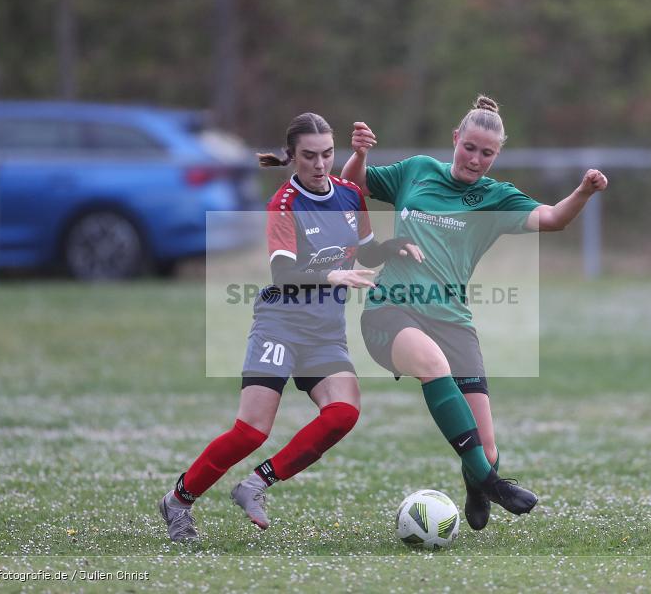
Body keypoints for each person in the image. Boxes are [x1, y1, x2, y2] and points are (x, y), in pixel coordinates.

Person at [341, 95, 608, 531]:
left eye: (487, 153)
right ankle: (494, 485)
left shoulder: (495, 197)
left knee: (485, 444)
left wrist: (584, 191)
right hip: (390, 308)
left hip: (452, 320)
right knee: (432, 364)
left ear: (496, 155)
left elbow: (555, 218)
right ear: (455, 139)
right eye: (469, 147)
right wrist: (359, 154)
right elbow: (353, 186)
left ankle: (477, 479)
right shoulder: (416, 170)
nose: (475, 158)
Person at [159, 112, 421, 542]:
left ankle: (255, 484)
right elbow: (283, 275)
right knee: (251, 431)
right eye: (309, 156)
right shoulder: (284, 204)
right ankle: (178, 501)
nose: (320, 165)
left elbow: (368, 253)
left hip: (324, 333)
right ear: (292, 157)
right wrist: (333, 275)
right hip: (280, 325)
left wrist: (395, 246)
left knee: (343, 414)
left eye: (327, 155)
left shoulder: (351, 195)